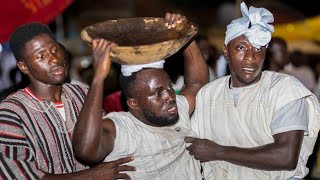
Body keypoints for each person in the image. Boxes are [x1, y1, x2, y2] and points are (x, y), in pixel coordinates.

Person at [186, 2, 320, 179]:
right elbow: (189, 144)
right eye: (241, 48)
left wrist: (218, 152)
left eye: (258, 49)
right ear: (226, 51)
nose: (251, 58)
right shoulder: (209, 94)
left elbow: (285, 156)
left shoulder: (285, 89)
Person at [72, 13, 209, 179]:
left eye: (170, 87)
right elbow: (85, 149)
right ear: (133, 103)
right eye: (157, 93)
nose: (170, 96)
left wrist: (185, 35)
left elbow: (197, 83)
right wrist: (98, 77)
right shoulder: (122, 129)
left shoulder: (176, 110)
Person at [0, 22, 135, 179]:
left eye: (54, 50)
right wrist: (92, 175)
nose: (54, 59)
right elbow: (18, 176)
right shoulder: (10, 113)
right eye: (41, 56)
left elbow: (107, 142)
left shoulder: (82, 94)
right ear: (24, 67)